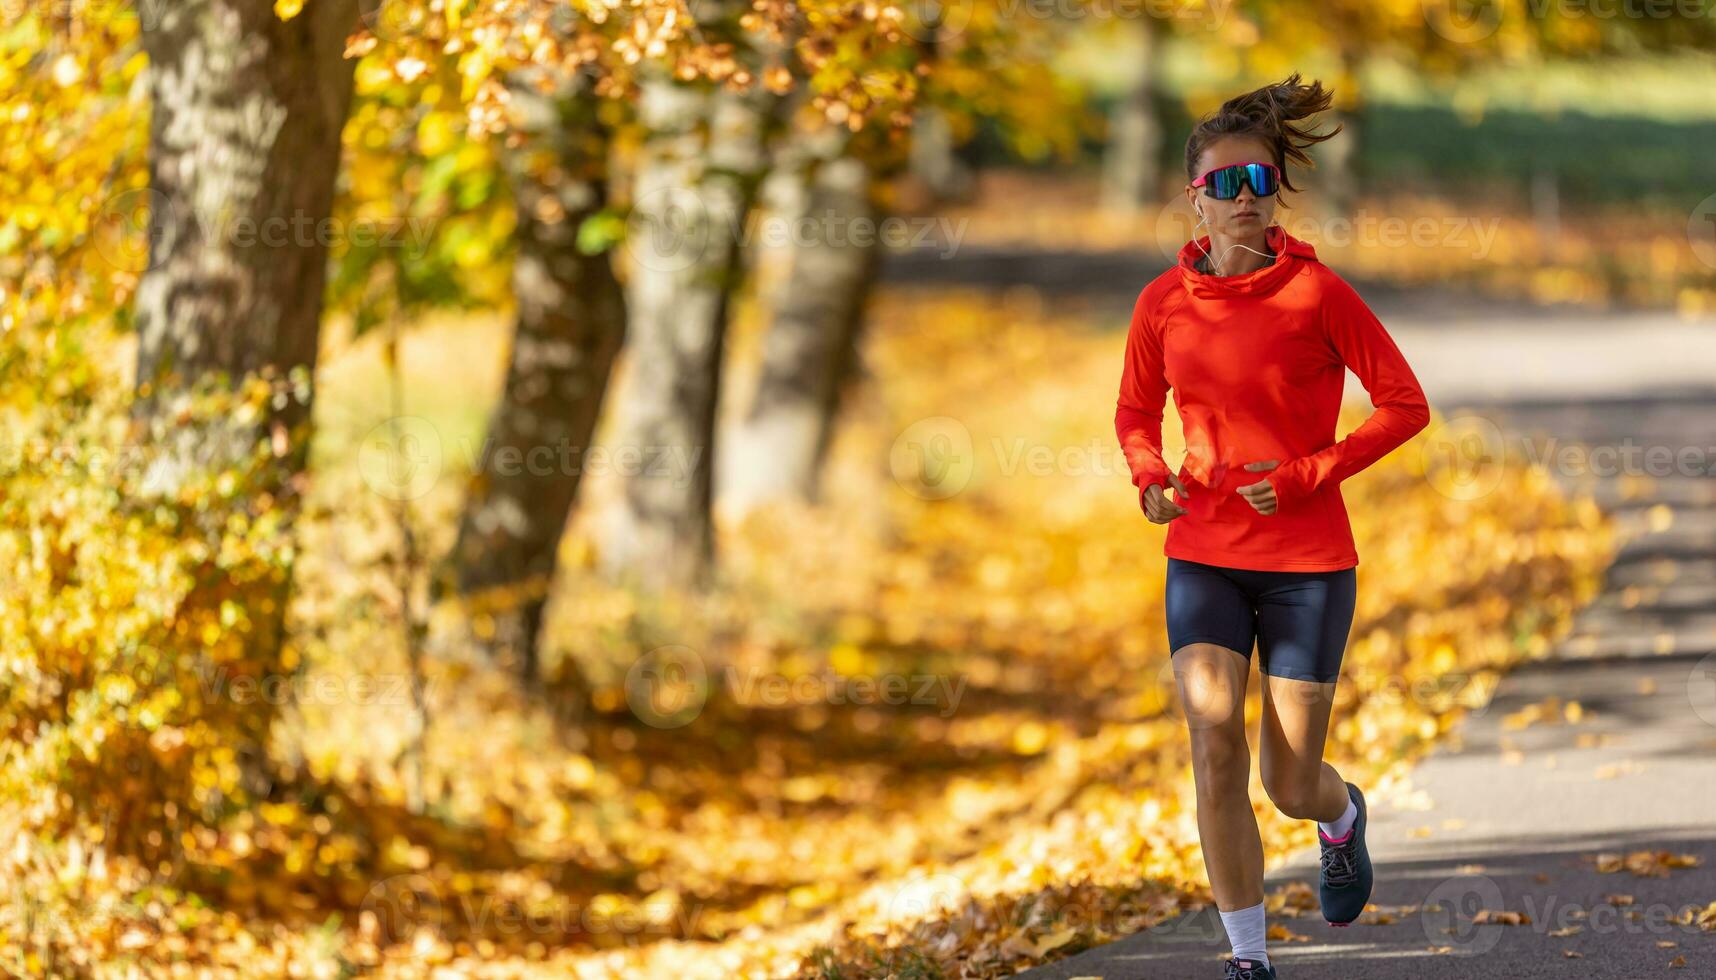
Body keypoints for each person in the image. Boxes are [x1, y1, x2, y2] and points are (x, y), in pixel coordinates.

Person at [1113, 73, 1432, 980]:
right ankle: (1249, 960)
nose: (1245, 200)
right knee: (1212, 743)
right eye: (1227, 184)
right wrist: (1150, 479)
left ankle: (1340, 818)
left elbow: (1405, 405)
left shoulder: (1319, 294)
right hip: (1204, 553)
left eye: (1260, 182)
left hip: (1308, 563)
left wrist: (1308, 473)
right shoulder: (1161, 306)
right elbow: (1136, 414)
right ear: (1196, 199)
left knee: (1285, 782)